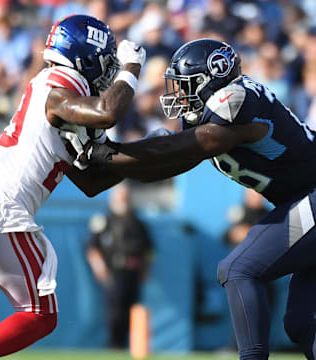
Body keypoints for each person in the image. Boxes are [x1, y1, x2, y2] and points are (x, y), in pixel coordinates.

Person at [82, 38, 316, 359]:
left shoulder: (238, 98)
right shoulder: (208, 115)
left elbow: (192, 145)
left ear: (213, 78)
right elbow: (163, 165)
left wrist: (106, 153)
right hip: (303, 201)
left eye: (185, 85)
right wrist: (90, 165)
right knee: (304, 322)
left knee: (239, 269)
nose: (177, 94)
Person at [0, 14, 146, 360]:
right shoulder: (58, 86)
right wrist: (131, 69)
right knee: (40, 315)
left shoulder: (54, 90)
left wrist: (143, 156)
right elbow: (106, 111)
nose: (106, 71)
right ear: (84, 57)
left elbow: (92, 182)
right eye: (105, 62)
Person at [86, 182, 153, 348]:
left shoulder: (138, 223)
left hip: (133, 273)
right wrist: (99, 268)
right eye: (120, 195)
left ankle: (126, 346)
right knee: (115, 312)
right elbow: (92, 248)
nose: (123, 198)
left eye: (126, 195)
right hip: (114, 271)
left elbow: (149, 250)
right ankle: (114, 345)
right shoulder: (105, 220)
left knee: (132, 311)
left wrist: (145, 270)